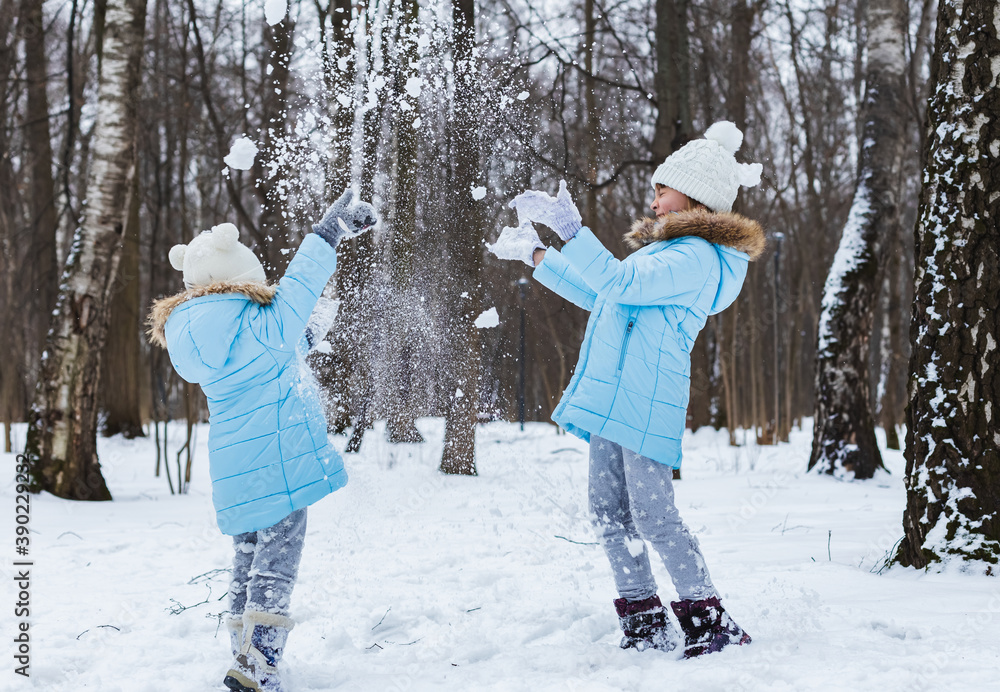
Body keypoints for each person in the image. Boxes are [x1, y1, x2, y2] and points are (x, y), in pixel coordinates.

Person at [489, 122, 765, 658]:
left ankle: (709, 620)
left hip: (646, 398)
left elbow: (619, 283)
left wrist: (572, 230)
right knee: (608, 512)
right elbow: (607, 296)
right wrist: (538, 257)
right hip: (619, 396)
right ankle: (642, 618)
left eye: (664, 188)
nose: (655, 197)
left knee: (653, 515)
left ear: (696, 196)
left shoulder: (698, 258)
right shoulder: (663, 255)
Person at [148, 190, 377, 691]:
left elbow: (268, 349)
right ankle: (260, 663)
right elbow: (298, 287)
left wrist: (306, 335)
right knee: (274, 564)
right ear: (242, 280)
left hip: (234, 476)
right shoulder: (267, 325)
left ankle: (243, 655)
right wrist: (327, 233)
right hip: (279, 467)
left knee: (247, 559)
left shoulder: (197, 336)